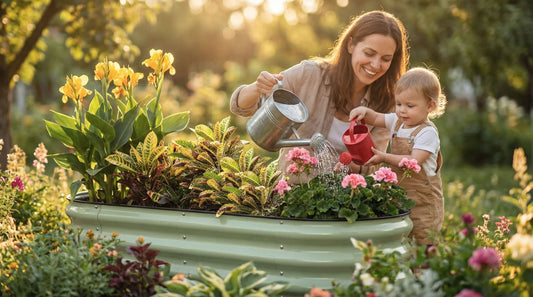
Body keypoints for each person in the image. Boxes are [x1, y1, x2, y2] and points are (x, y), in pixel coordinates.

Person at [230, 10, 409, 182]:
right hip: (292, 194)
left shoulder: (387, 103)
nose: (376, 65)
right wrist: (257, 87)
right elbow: (240, 106)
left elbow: (372, 163)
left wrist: (350, 165)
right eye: (369, 54)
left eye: (386, 59)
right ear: (350, 45)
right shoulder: (310, 74)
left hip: (345, 198)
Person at [349, 67, 447, 246]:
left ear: (430, 106)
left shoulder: (427, 133)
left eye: (410, 106)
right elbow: (377, 118)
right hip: (402, 193)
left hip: (423, 201)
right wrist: (364, 111)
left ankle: (427, 272)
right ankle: (406, 269)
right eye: (399, 104)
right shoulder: (398, 121)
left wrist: (384, 157)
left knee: (424, 238)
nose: (402, 110)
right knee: (402, 236)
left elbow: (413, 162)